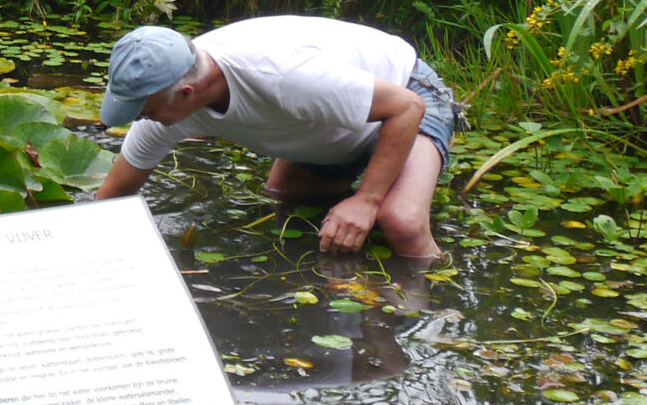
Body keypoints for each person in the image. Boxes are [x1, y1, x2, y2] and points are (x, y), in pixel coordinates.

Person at [92, 17, 455, 257]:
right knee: (285, 196)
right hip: (330, 125)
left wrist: (367, 200)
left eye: (144, 112)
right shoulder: (168, 103)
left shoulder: (282, 76)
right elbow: (111, 197)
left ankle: (433, 310)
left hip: (406, 96)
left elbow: (406, 108)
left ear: (186, 94)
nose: (141, 121)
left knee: (400, 222)